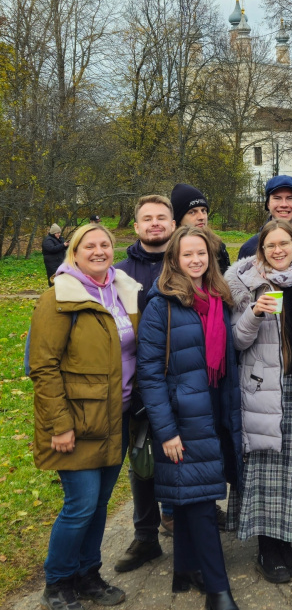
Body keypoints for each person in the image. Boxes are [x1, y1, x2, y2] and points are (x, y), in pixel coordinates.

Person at [29, 224, 139, 610]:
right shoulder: (59, 298)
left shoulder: (123, 290)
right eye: (88, 245)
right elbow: (42, 366)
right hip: (76, 421)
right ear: (72, 252)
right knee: (79, 506)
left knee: (99, 505)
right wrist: (59, 425)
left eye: (105, 244)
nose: (98, 251)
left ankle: (88, 574)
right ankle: (57, 582)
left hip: (117, 417)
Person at [137, 227, 244, 610]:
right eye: (188, 255)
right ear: (175, 260)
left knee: (188, 494)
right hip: (183, 419)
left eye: (203, 253)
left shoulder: (219, 299)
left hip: (216, 410)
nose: (196, 260)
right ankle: (218, 590)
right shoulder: (161, 306)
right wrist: (166, 431)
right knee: (199, 502)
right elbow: (149, 375)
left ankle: (186, 569)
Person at [225, 220, 292, 583]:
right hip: (261, 388)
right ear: (261, 250)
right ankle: (267, 550)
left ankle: (287, 544)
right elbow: (237, 343)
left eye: (284, 243)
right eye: (270, 246)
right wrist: (254, 314)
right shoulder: (245, 284)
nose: (278, 250)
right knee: (266, 471)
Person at [114, 195, 177, 572]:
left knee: (183, 456)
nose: (155, 224)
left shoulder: (188, 262)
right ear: (136, 226)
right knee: (143, 461)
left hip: (184, 383)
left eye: (161, 218)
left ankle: (185, 525)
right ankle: (145, 536)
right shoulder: (118, 274)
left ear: (172, 223)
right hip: (139, 386)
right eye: (147, 219)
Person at [238, 175, 292, 260]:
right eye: (277, 198)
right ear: (268, 204)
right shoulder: (250, 249)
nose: (284, 204)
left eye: (290, 198)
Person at [170, 183, 231, 273]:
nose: (201, 217)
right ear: (179, 219)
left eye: (203, 210)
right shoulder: (169, 249)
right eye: (192, 212)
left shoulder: (217, 246)